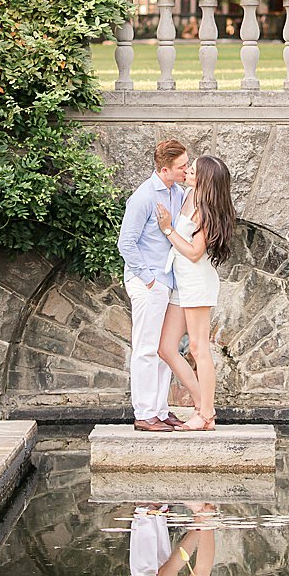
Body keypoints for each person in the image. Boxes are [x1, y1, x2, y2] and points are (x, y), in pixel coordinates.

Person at [155, 156, 235, 432]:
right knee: (166, 347)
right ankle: (204, 406)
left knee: (198, 348)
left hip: (197, 282)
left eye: (194, 169)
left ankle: (205, 414)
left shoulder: (205, 211)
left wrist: (167, 229)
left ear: (205, 178)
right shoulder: (188, 194)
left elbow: (193, 253)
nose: (188, 171)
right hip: (181, 282)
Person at [118, 140, 189, 432]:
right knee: (146, 348)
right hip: (149, 282)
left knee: (164, 349)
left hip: (168, 281)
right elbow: (126, 243)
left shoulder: (179, 192)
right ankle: (144, 414)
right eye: (182, 166)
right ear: (164, 169)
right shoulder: (143, 197)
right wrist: (147, 278)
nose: (187, 169)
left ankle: (160, 410)